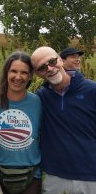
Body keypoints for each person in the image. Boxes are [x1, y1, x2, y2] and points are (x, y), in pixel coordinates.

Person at [31, 46, 96, 194]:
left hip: (91, 177)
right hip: (55, 178)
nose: (49, 68)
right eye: (42, 67)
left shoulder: (92, 91)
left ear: (60, 60)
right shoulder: (40, 97)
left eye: (52, 61)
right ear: (38, 74)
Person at [0, 51, 42, 194]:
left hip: (31, 177)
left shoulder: (38, 102)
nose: (18, 77)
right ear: (6, 73)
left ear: (30, 76)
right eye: (13, 71)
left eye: (24, 72)